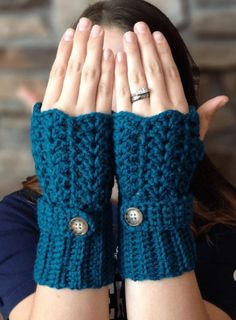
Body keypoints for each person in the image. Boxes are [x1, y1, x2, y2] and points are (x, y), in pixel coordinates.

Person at [0, 0, 236, 319]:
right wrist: (74, 200)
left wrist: (155, 197)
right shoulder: (18, 218)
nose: (116, 113)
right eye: (96, 86)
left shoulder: (223, 223)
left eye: (138, 90)